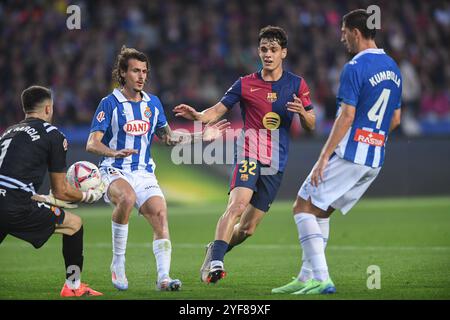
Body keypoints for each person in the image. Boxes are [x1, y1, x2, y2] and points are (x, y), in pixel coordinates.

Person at [272, 9, 402, 295]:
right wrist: (373, 140)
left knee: (302, 206)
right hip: (374, 158)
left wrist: (322, 158)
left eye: (344, 32)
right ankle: (306, 277)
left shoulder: (354, 67)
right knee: (321, 211)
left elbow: (346, 116)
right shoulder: (393, 67)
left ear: (356, 32)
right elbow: (395, 120)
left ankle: (322, 278)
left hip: (350, 154)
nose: (342, 38)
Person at [173, 25, 316, 284]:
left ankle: (215, 249)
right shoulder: (245, 83)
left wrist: (304, 115)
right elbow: (216, 110)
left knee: (248, 229)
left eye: (273, 50)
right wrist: (199, 116)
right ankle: (217, 261)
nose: (268, 54)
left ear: (283, 52)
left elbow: (311, 125)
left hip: (276, 160)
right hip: (249, 152)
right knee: (237, 206)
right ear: (259, 52)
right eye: (263, 49)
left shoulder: (297, 84)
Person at [86, 46, 228, 291]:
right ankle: (118, 263)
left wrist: (201, 136)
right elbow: (92, 143)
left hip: (143, 172)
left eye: (144, 71)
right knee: (127, 199)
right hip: (114, 169)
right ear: (122, 73)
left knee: (161, 214)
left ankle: (164, 278)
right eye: (135, 71)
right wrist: (112, 152)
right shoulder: (109, 103)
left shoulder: (153, 103)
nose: (141, 76)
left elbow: (170, 139)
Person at [0, 85, 104, 297]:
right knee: (74, 225)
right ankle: (73, 287)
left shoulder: (8, 132)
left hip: (12, 198)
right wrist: (88, 195)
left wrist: (35, 196)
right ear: (48, 109)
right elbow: (61, 192)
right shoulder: (53, 134)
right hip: (14, 205)